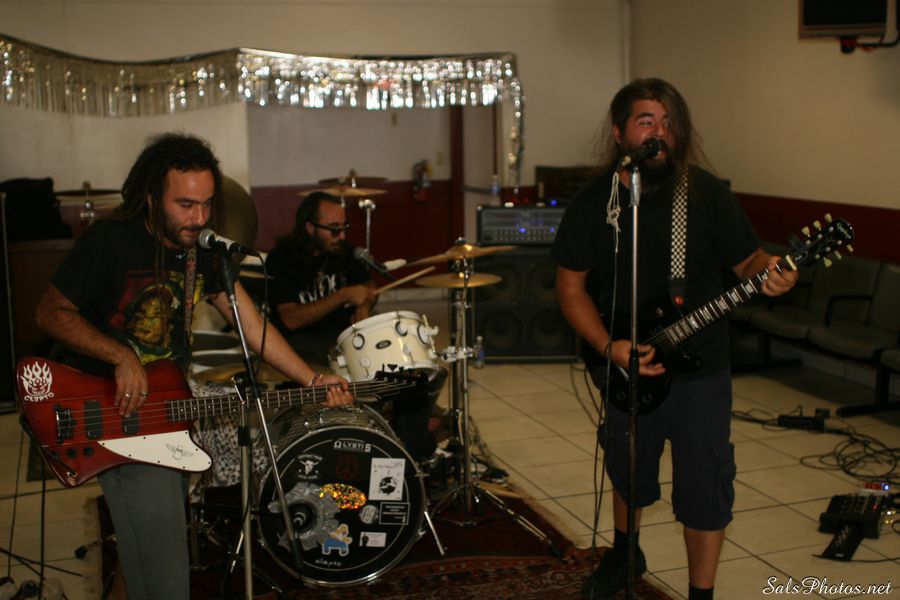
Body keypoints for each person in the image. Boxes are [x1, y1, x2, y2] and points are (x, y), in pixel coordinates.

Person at [34, 133, 353, 600]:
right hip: (110, 414)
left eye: (206, 204)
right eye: (184, 205)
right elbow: (50, 312)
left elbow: (252, 325)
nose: (199, 218)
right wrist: (120, 355)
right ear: (151, 198)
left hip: (164, 413)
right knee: (165, 571)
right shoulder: (109, 242)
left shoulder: (201, 253)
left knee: (143, 550)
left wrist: (312, 378)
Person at [551, 78, 798, 600]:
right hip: (624, 360)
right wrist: (608, 347)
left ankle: (701, 593)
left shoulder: (705, 194)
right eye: (647, 122)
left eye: (669, 123)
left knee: (707, 485)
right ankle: (626, 551)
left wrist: (772, 270)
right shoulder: (595, 202)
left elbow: (750, 261)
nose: (659, 133)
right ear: (619, 133)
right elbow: (570, 288)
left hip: (702, 371)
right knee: (628, 466)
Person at [265, 191, 376, 367]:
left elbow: (369, 284)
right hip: (302, 341)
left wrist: (364, 305)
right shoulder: (281, 258)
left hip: (344, 333)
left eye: (344, 227)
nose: (342, 236)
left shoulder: (340, 249)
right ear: (310, 228)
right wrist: (343, 295)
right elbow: (290, 319)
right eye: (334, 229)